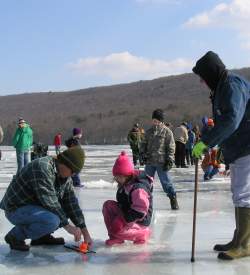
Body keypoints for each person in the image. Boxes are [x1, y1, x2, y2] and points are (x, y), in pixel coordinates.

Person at [192, 51, 250, 260]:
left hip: (247, 146)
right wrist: (206, 139)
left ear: (211, 73)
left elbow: (232, 120)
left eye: (203, 77)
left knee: (244, 194)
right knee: (239, 193)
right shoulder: (222, 87)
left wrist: (206, 143)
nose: (201, 82)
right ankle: (239, 239)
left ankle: (244, 244)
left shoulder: (232, 86)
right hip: (239, 148)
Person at [0, 146, 92, 251]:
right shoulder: (42, 167)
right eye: (73, 171)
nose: (74, 175)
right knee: (53, 220)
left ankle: (40, 237)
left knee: (65, 211)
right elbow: (50, 202)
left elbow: (72, 205)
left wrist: (85, 233)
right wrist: (69, 227)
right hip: (16, 209)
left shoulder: (65, 178)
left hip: (34, 208)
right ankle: (15, 236)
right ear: (65, 164)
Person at [102, 151, 153, 246]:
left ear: (127, 174)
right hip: (127, 214)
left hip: (139, 220)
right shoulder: (125, 183)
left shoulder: (138, 189)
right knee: (108, 206)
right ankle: (116, 237)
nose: (116, 179)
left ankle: (141, 234)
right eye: (115, 176)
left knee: (117, 229)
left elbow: (140, 211)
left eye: (119, 176)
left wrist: (122, 220)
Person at [140, 109, 179, 210]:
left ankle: (173, 198)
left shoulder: (167, 132)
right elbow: (143, 144)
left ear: (161, 121)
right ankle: (146, 202)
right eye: (153, 120)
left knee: (166, 182)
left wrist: (170, 160)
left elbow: (171, 147)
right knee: (147, 183)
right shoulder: (148, 132)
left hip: (162, 162)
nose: (155, 123)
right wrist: (142, 154)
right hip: (150, 161)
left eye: (157, 121)